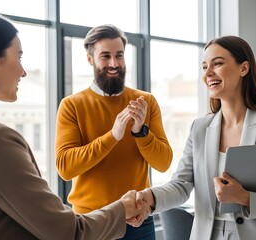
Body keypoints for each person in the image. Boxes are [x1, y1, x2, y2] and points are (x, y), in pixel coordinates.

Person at [0, 10, 150, 240]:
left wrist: (141, 134)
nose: (23, 71)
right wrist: (122, 208)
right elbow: (67, 231)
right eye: (19, 57)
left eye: (119, 55)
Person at [134, 35, 256, 239]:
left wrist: (245, 198)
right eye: (204, 66)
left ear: (243, 68)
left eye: (217, 64)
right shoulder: (200, 127)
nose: (208, 73)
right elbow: (181, 185)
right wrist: (150, 197)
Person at [55, 24, 173, 239]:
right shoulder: (71, 105)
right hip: (92, 222)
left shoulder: (145, 102)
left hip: (139, 223)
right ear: (90, 59)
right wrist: (113, 136)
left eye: (119, 56)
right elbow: (65, 167)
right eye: (105, 56)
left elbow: (163, 163)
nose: (113, 64)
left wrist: (141, 133)